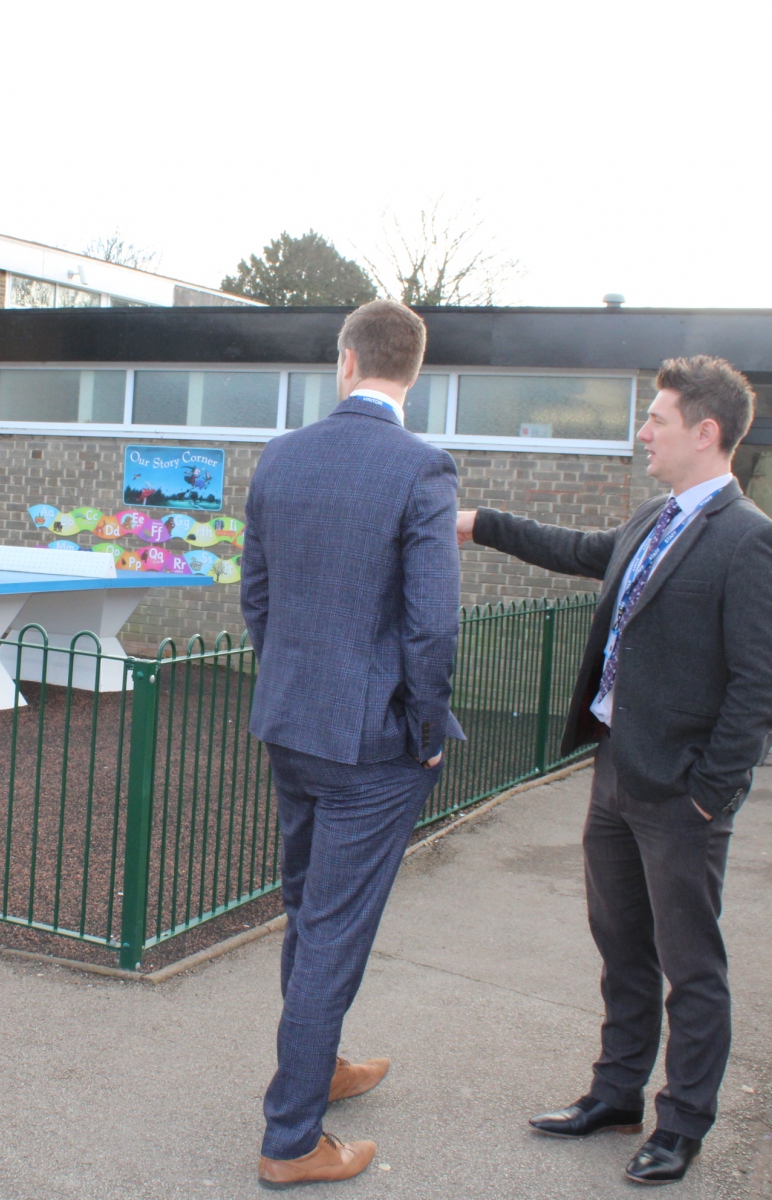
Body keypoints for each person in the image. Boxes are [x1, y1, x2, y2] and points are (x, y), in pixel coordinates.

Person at [457, 355, 772, 1186]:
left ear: (705, 432)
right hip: (616, 773)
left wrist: (711, 794)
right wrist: (480, 523)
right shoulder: (655, 517)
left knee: (692, 967)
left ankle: (682, 1124)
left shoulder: (752, 540)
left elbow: (760, 686)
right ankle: (615, 1094)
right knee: (621, 947)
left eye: (658, 419)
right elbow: (580, 550)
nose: (643, 432)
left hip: (681, 796)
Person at [241, 299, 464, 1188]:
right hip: (371, 747)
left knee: (309, 913)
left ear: (345, 361)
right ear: (413, 372)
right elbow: (432, 624)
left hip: (291, 725)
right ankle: (292, 1140)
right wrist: (428, 730)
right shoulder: (422, 468)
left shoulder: (281, 457)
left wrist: (294, 683)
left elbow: (258, 597)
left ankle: (318, 1066)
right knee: (332, 931)